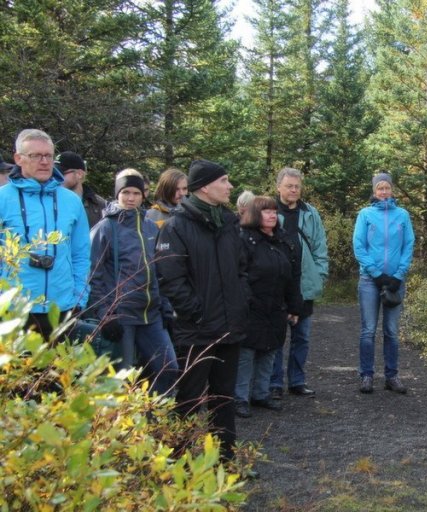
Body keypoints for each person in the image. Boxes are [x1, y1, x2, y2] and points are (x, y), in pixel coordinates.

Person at [155, 159, 249, 462]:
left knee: (224, 398)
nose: (229, 186)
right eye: (224, 181)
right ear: (205, 186)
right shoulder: (176, 226)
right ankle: (178, 459)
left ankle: (226, 460)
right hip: (195, 330)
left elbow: (242, 269)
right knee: (189, 399)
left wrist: (239, 302)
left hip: (229, 328)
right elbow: (169, 277)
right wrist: (195, 312)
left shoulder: (229, 222)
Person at [89, 169, 178, 396]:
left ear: (142, 196)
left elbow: (159, 269)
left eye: (136, 193)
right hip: (121, 316)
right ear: (117, 194)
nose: (130, 198)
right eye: (125, 192)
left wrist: (166, 307)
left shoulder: (150, 227)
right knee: (121, 379)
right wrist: (105, 314)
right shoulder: (105, 229)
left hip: (151, 313)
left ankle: (153, 421)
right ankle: (119, 429)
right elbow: (93, 275)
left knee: (168, 369)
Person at [0, 129, 90, 341]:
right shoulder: (2, 199)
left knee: (58, 375)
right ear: (18, 158)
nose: (44, 162)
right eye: (36, 156)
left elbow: (81, 254)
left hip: (61, 309)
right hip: (13, 311)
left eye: (48, 156)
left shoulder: (72, 202)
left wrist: (79, 299)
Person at [234, 196, 302, 418]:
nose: (272, 215)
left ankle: (261, 394)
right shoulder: (244, 239)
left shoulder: (283, 241)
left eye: (274, 211)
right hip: (251, 305)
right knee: (246, 352)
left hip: (276, 306)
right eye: (266, 211)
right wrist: (245, 301)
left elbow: (292, 277)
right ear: (255, 214)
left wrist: (294, 306)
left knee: (271, 349)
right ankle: (239, 398)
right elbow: (238, 275)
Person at [352, 172, 415, 394]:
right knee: (368, 330)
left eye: (386, 187)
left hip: (396, 281)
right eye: (379, 188)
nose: (383, 191)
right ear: (374, 191)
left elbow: (409, 245)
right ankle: (366, 375)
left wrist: (399, 275)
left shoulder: (403, 215)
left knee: (391, 330)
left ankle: (392, 376)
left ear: (392, 189)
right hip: (370, 280)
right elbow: (359, 246)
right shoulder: (365, 214)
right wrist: (376, 273)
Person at [269, 167, 328, 399]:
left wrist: (320, 275)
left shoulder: (310, 213)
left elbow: (320, 247)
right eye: (289, 186)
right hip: (276, 285)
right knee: (275, 337)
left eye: (297, 186)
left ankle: (296, 380)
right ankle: (273, 383)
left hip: (304, 284)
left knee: (301, 336)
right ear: (278, 187)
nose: (294, 190)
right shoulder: (268, 210)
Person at [56, 151, 106, 228]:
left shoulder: (99, 205)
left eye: (61, 173)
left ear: (79, 174)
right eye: (54, 174)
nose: (56, 178)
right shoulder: (49, 201)